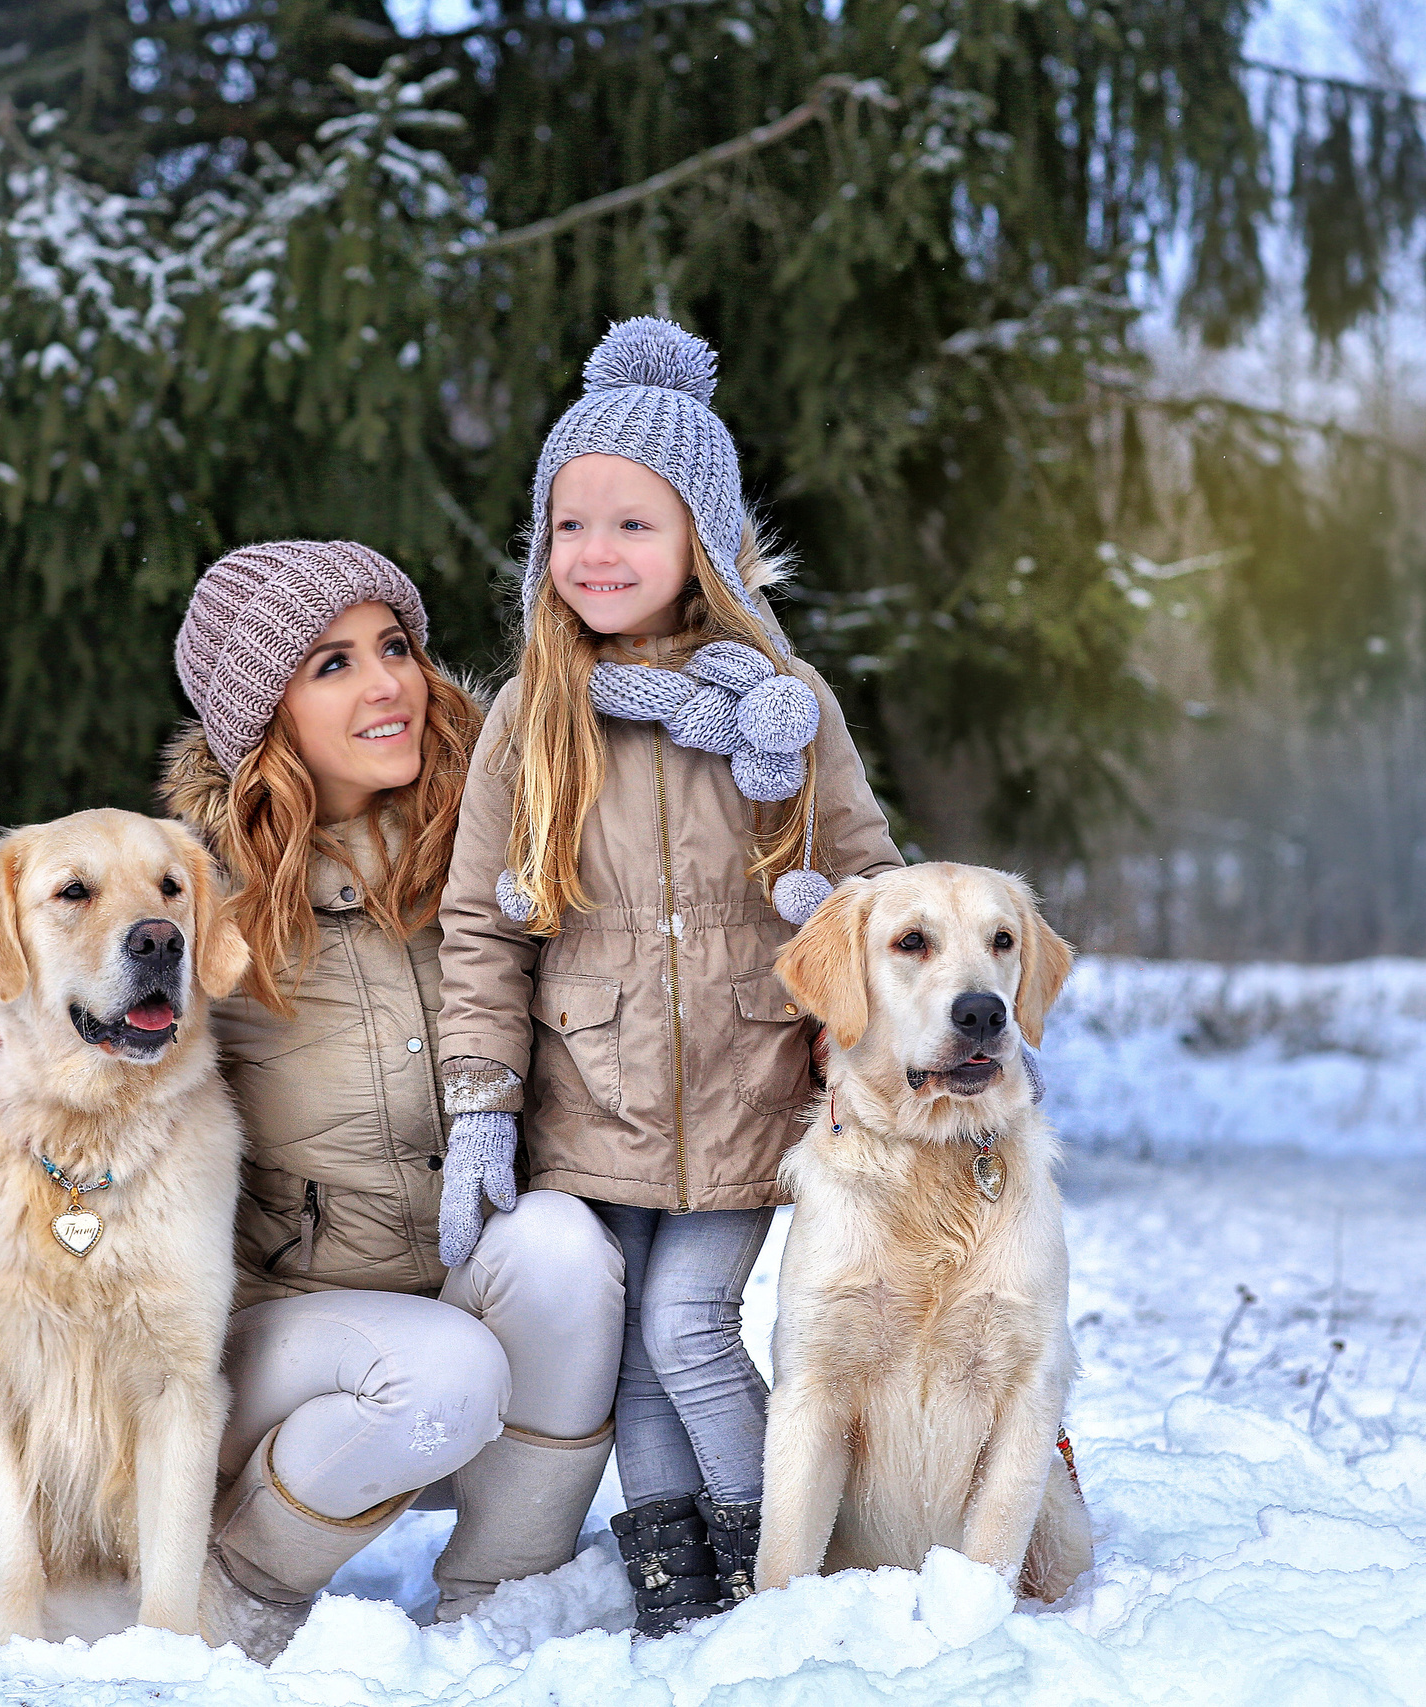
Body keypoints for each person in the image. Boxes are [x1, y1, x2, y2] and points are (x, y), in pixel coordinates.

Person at [0, 541, 625, 1660]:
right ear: (268, 712)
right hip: (290, 1332)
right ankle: (233, 1584)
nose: (384, 683)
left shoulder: (509, 846)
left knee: (565, 1250)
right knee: (442, 1369)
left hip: (459, 1270)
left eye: (394, 647)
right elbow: (80, 1002)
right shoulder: (205, 888)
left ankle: (505, 1596)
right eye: (332, 664)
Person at [432, 318, 904, 1637]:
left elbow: (868, 883)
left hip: (751, 1083)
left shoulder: (782, 698)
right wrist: (481, 1101)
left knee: (691, 1322)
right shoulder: (537, 713)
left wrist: (867, 1048)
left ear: (702, 534)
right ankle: (676, 1583)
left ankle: (779, 1556)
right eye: (569, 524)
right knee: (638, 1347)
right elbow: (483, 924)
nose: (596, 552)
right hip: (593, 1092)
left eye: (632, 523)